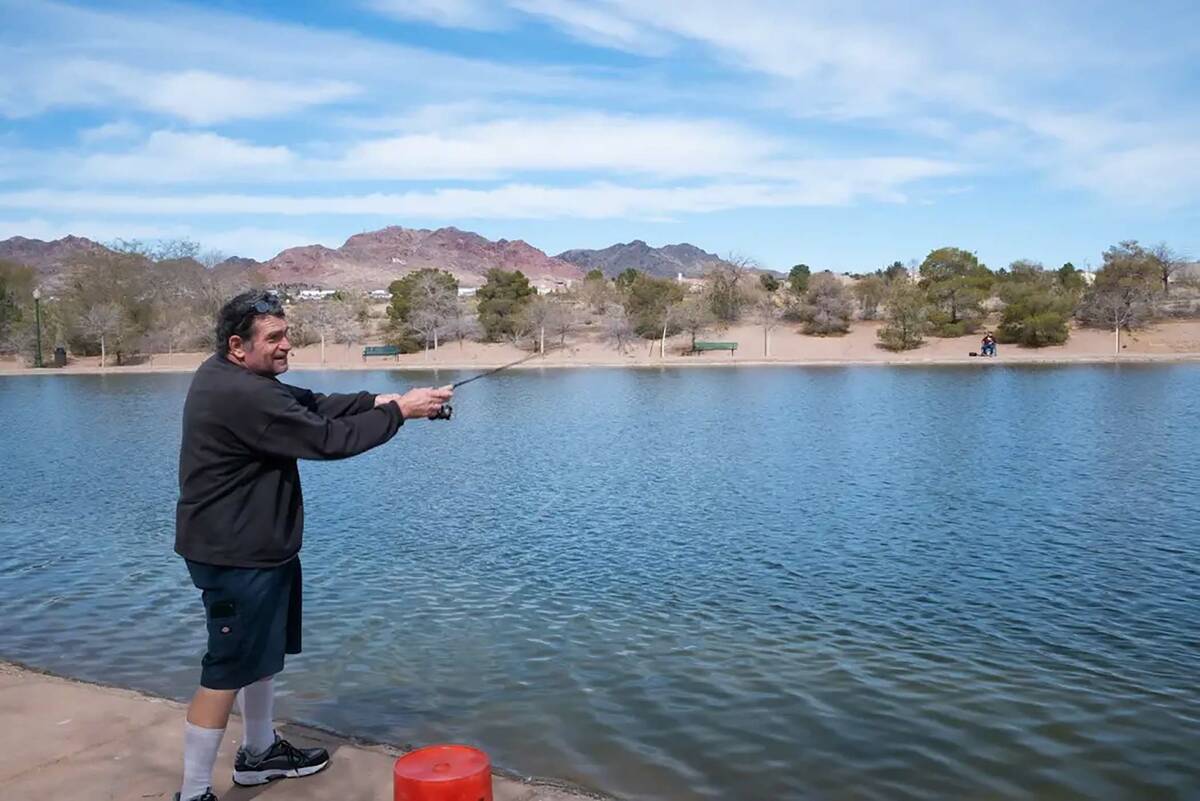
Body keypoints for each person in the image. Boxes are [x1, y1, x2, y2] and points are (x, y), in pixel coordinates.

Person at [172, 291, 452, 801]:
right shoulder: (243, 395)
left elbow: (316, 404)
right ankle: (192, 793)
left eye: (286, 334)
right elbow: (327, 439)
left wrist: (385, 400)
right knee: (226, 668)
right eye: (274, 338)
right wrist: (402, 414)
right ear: (238, 345)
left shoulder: (236, 377)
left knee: (262, 651)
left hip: (257, 547)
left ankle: (260, 753)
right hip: (234, 555)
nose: (287, 346)